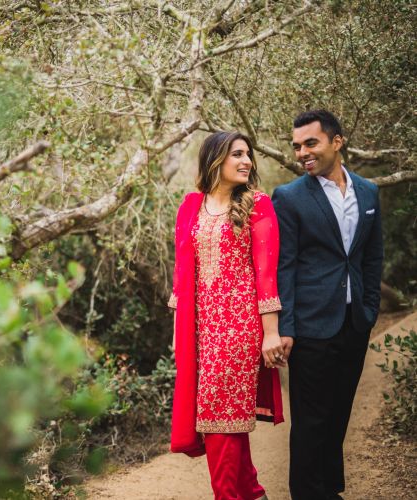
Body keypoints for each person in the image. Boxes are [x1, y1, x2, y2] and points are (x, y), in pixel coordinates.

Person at [272, 110, 383, 500]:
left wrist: (369, 311)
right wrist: (285, 327)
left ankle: (329, 489)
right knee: (310, 420)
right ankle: (307, 493)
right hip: (311, 327)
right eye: (297, 146)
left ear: (337, 142)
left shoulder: (369, 193)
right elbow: (284, 266)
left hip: (354, 324)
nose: (302, 152)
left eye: (310, 143)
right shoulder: (288, 197)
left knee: (338, 415)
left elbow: (371, 258)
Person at [168, 131, 285, 500]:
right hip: (201, 331)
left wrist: (270, 333)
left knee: (219, 422)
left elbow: (266, 274)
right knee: (225, 422)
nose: (246, 161)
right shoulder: (190, 206)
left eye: (248, 155)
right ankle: (252, 492)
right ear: (214, 159)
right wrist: (178, 334)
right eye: (237, 154)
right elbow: (181, 276)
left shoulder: (258, 204)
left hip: (239, 330)